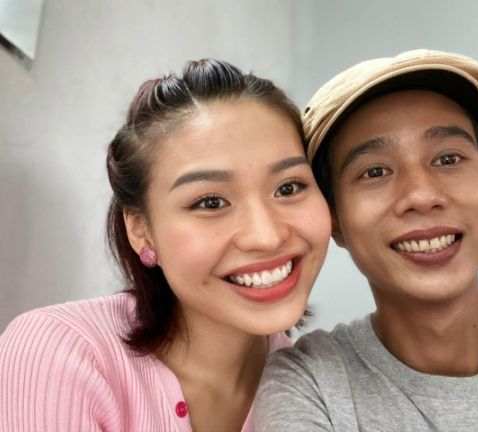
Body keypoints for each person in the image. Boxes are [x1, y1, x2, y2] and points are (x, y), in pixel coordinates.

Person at [254, 49, 478, 431]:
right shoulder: (310, 384)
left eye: (448, 159)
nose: (421, 195)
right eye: (375, 171)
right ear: (333, 218)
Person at [0, 59, 331, 431]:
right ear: (141, 230)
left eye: (288, 188)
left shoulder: (322, 390)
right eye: (210, 202)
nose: (266, 236)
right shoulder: (62, 352)